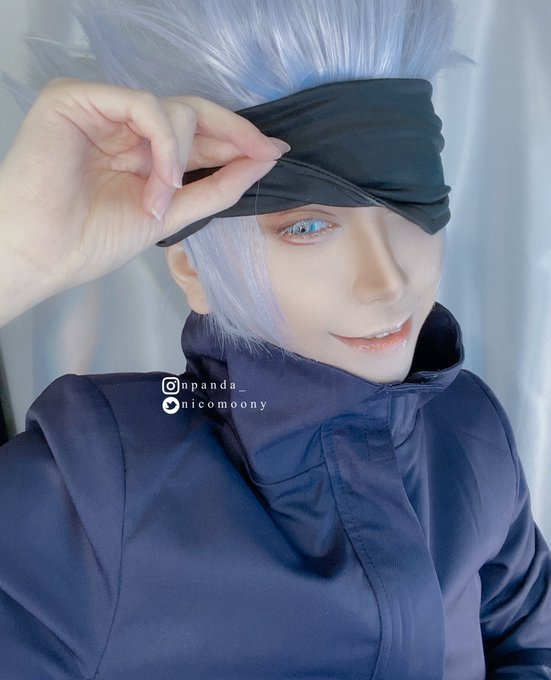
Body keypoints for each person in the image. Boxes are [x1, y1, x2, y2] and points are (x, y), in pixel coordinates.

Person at [0, 1, 550, 678]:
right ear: (191, 270)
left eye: (407, 201)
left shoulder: (468, 428)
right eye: (308, 227)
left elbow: (530, 642)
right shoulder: (95, 488)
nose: (385, 281)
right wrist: (14, 259)